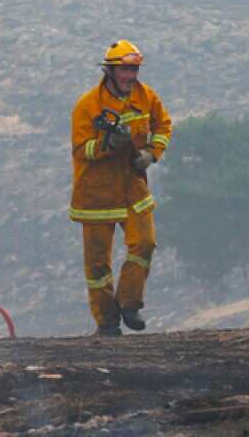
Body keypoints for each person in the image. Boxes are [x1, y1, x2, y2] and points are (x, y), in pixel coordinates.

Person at [70, 39, 173, 336]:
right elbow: (80, 149)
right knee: (97, 264)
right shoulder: (88, 106)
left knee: (145, 244)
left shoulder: (146, 97)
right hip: (96, 193)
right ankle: (107, 322)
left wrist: (151, 153)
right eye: (125, 70)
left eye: (134, 69)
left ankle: (129, 304)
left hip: (132, 188)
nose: (131, 76)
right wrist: (106, 144)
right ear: (110, 71)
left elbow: (164, 126)